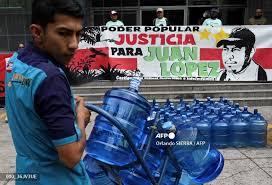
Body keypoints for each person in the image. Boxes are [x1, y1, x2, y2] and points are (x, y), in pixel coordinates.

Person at [5, 0, 92, 185]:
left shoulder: (16, 62)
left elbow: (32, 104)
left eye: (78, 34)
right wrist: (80, 117)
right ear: (37, 32)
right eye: (64, 33)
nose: (74, 44)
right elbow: (70, 157)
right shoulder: (51, 78)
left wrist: (61, 103)